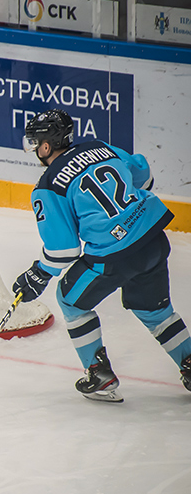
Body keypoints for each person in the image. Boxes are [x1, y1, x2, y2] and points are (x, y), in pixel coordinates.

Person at [14, 108, 191, 402]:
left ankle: (98, 374)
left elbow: (63, 251)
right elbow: (144, 177)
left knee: (69, 299)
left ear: (45, 146)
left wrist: (38, 273)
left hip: (115, 256)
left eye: (35, 143)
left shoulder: (47, 185)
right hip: (152, 240)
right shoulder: (100, 147)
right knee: (155, 311)